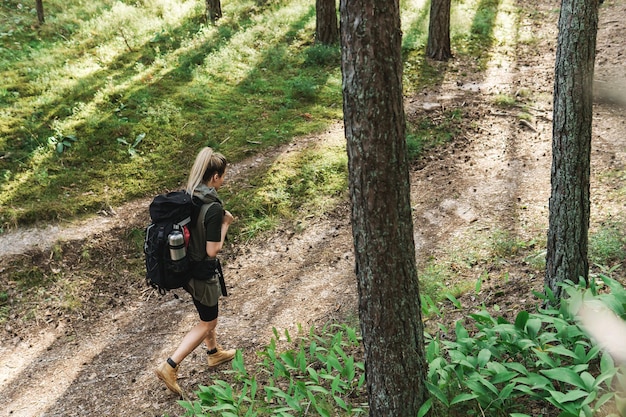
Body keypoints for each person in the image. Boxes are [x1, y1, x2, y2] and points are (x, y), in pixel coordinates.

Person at [155, 147, 237, 397]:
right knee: (208, 321)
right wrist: (226, 224)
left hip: (185, 267)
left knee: (205, 310)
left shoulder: (192, 196)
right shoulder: (212, 208)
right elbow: (213, 250)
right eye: (223, 175)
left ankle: (214, 354)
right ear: (214, 177)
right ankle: (170, 365)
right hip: (201, 271)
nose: (224, 180)